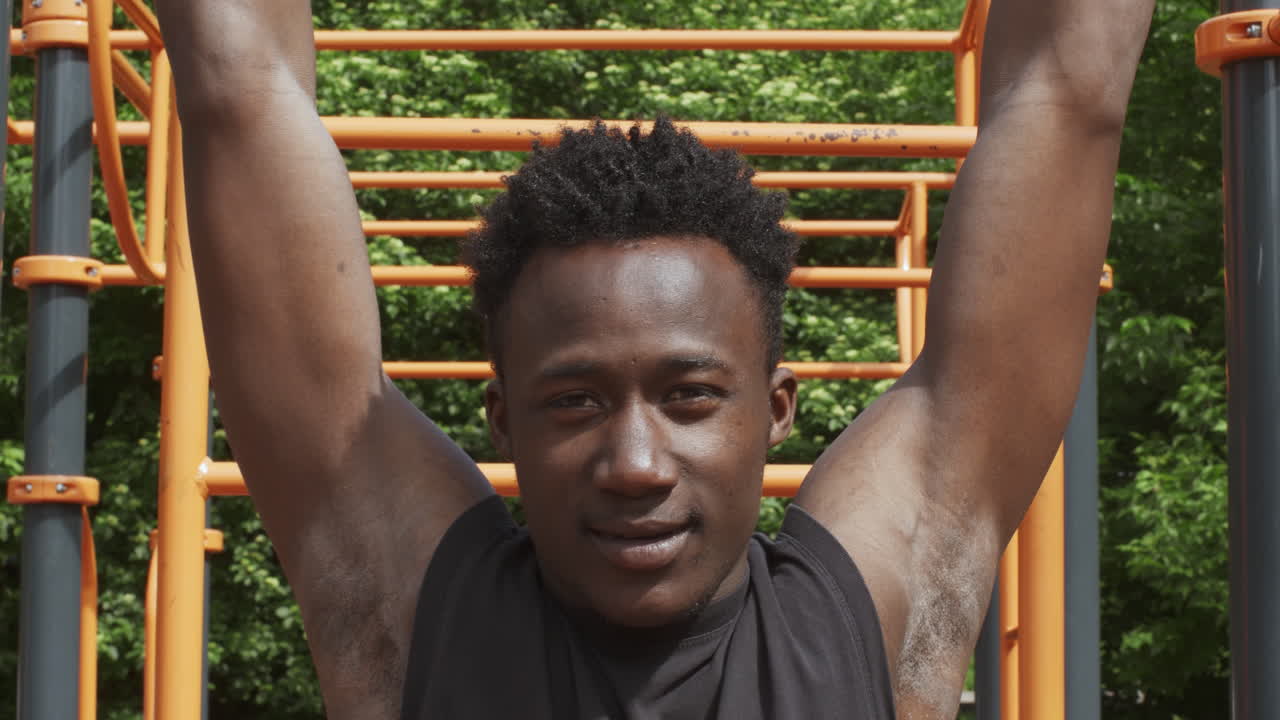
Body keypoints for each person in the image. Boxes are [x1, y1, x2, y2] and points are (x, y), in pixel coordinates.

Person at [154, 0, 1155, 718]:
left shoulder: (869, 624)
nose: (634, 462)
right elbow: (238, 85)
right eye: (576, 400)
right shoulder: (410, 617)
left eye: (689, 396)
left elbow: (1070, 91)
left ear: (773, 409)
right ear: (503, 419)